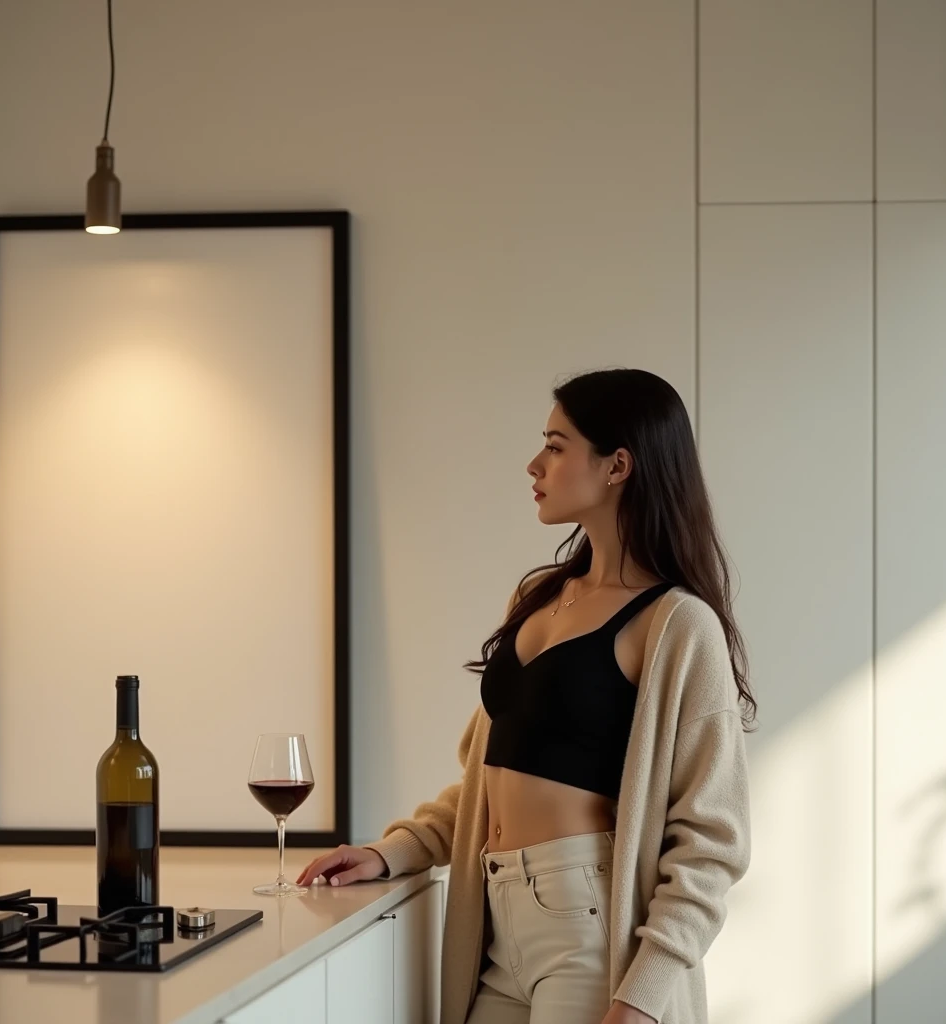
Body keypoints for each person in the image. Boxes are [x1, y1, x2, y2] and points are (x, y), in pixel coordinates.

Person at [298, 368, 755, 1024]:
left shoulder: (678, 627)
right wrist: (391, 850)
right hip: (495, 925)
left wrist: (643, 994)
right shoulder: (537, 599)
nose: (534, 463)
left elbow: (711, 839)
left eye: (556, 444)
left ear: (618, 465)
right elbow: (487, 783)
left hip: (591, 934)